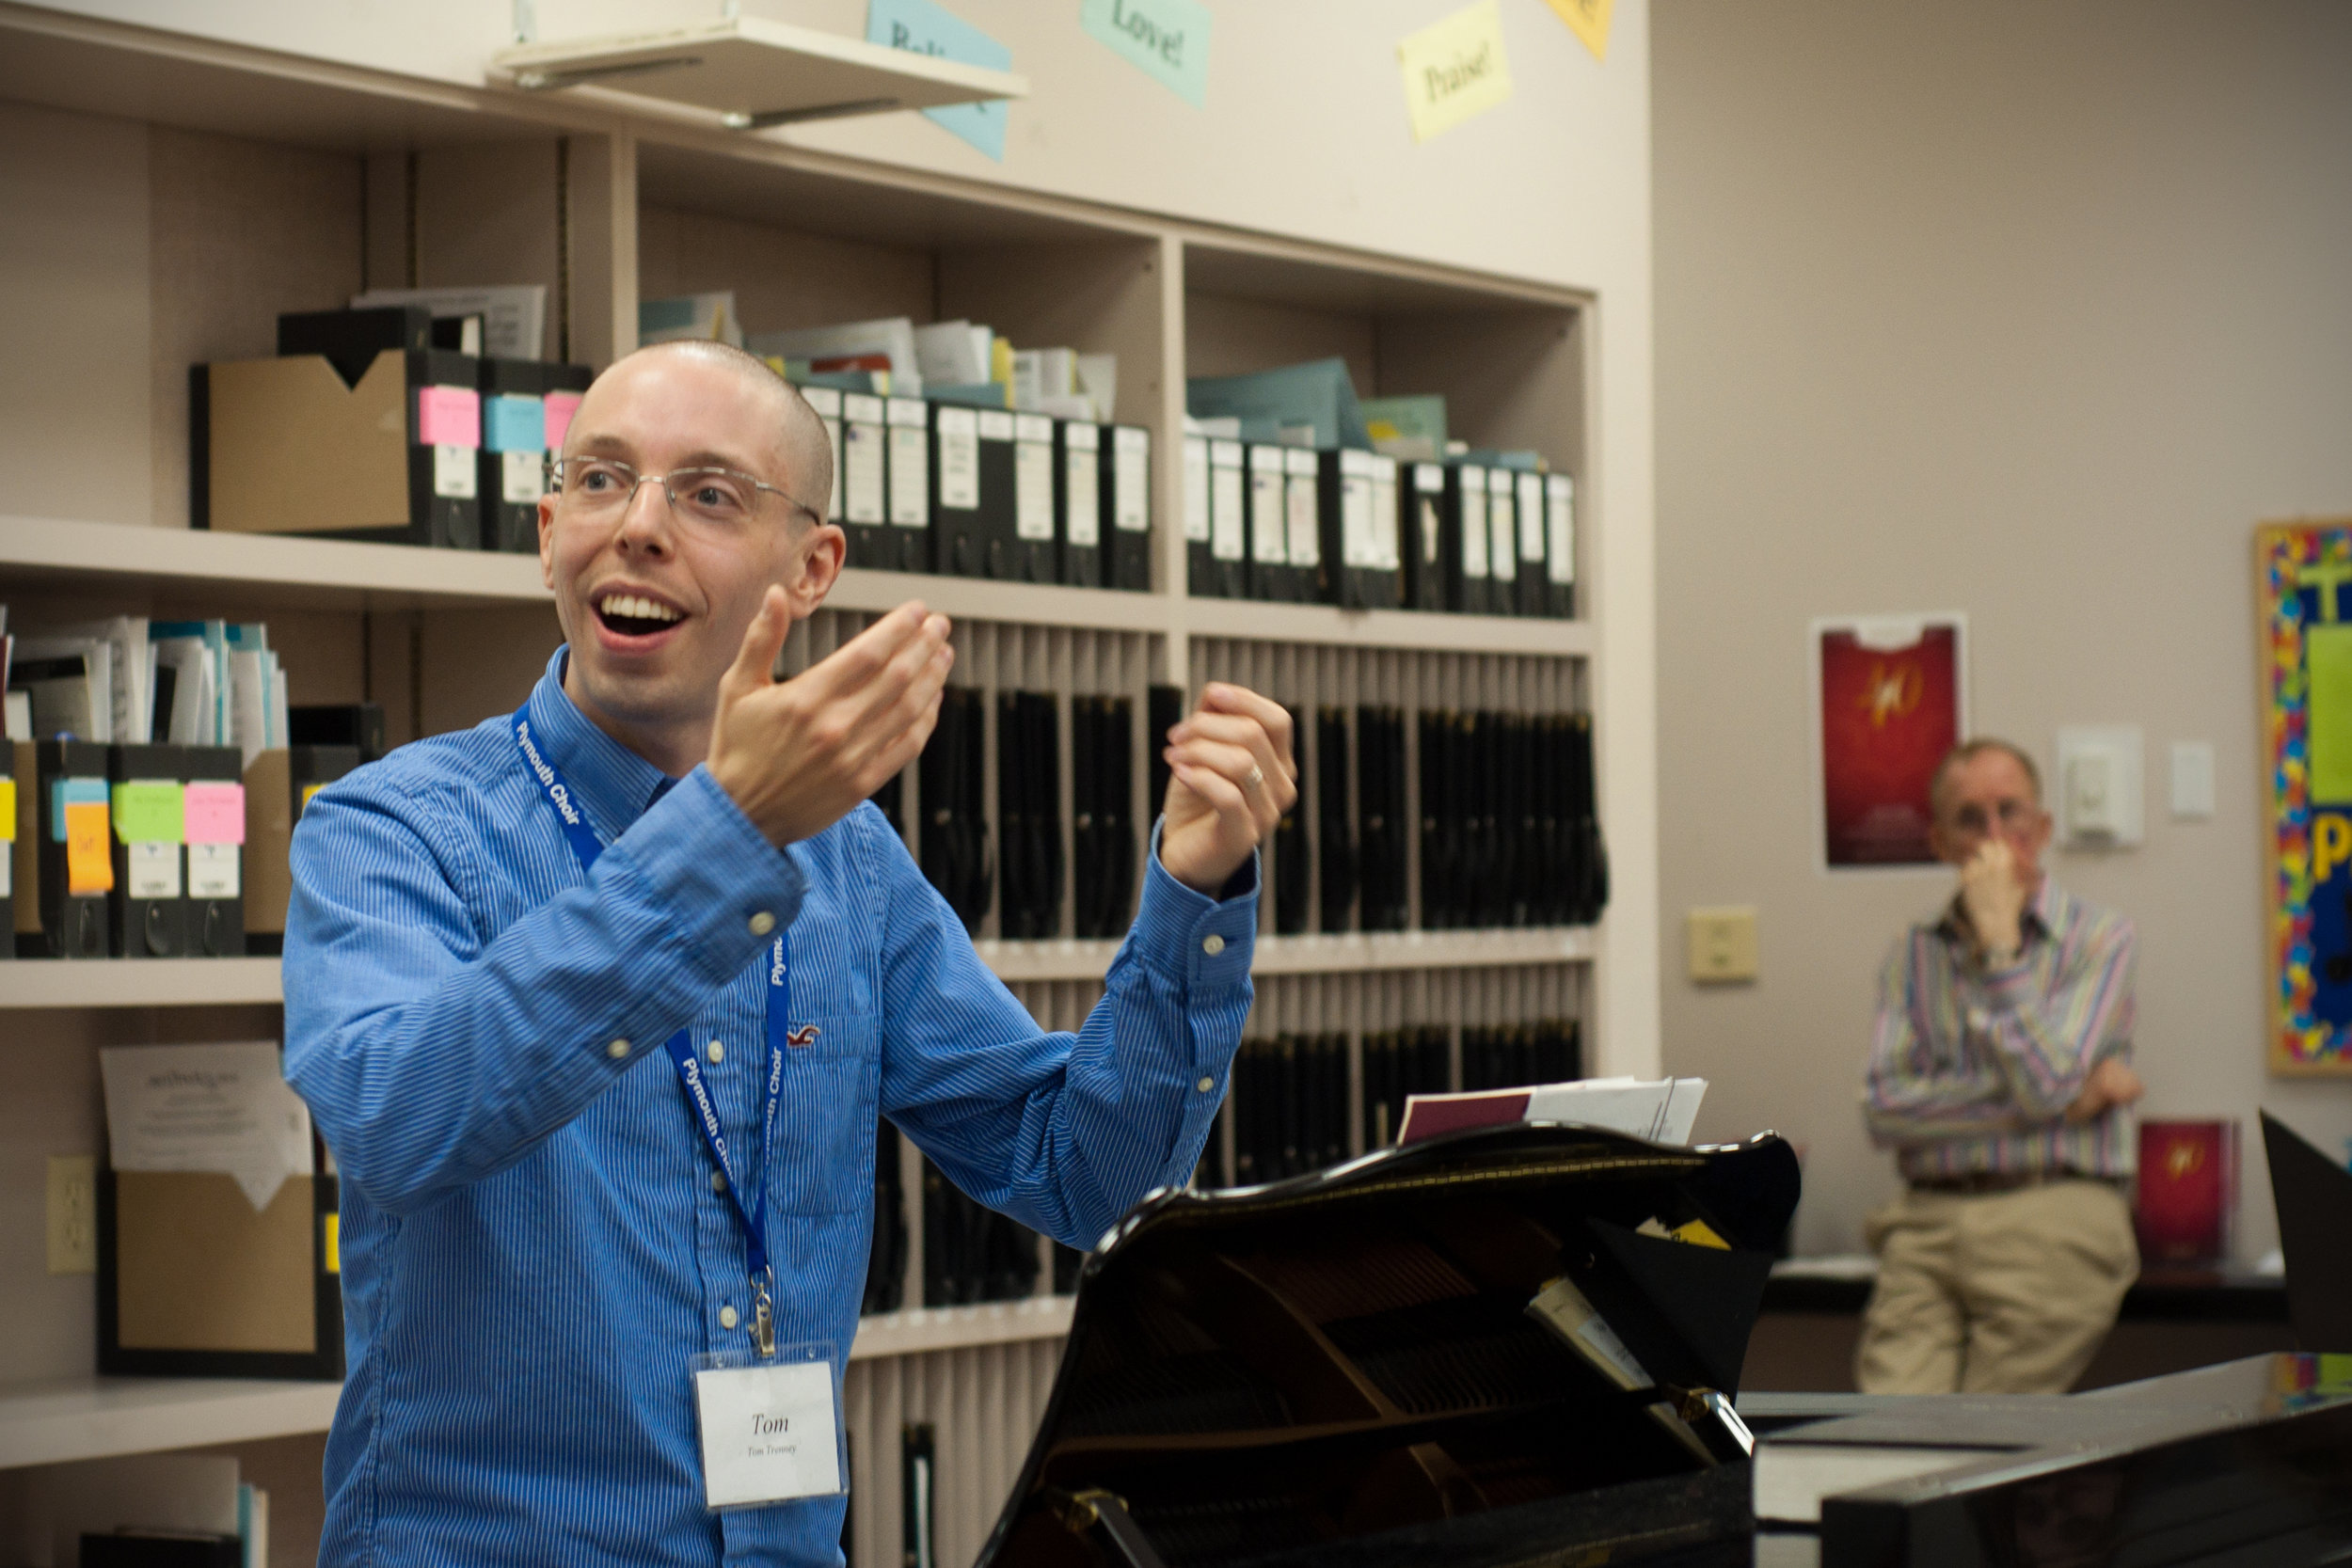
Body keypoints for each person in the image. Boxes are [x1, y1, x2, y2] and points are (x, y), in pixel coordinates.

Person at [281, 339, 1298, 1565]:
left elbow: (1079, 1173)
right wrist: (731, 834)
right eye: (601, 482)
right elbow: (397, 1112)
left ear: (813, 566)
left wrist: (1193, 887)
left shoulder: (849, 861)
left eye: (707, 493)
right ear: (548, 531)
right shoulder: (393, 826)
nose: (637, 526)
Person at [1855, 737, 2143, 1395]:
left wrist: (1999, 945)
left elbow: (2045, 1084)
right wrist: (2070, 1104)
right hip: (1925, 1221)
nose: (1993, 836)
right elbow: (1885, 1109)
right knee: (1885, 1445)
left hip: (2054, 1214)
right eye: (1969, 819)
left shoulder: (2100, 938)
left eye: (2010, 813)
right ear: (1939, 842)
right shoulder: (1913, 952)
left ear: (2040, 830)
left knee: (1988, 1455)